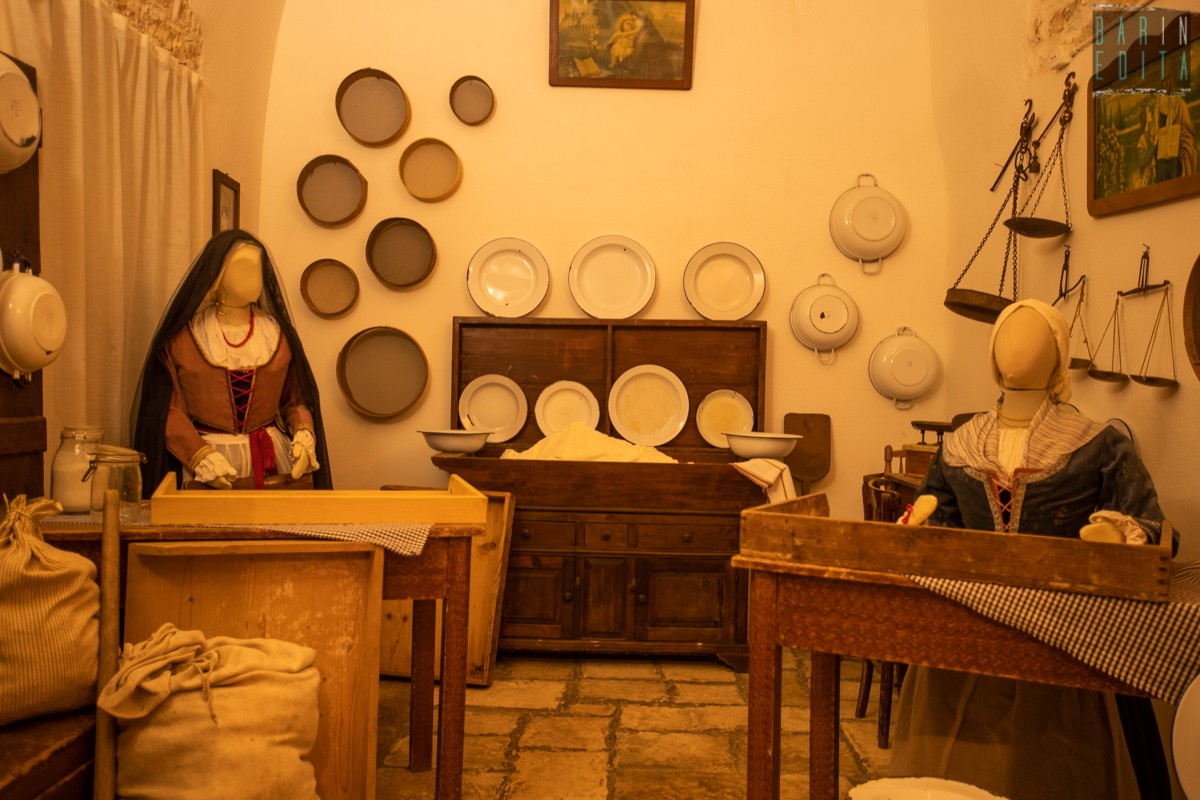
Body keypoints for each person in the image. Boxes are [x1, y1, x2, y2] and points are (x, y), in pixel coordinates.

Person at [889, 298, 1175, 800]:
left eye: (1034, 338)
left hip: (1065, 635)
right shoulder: (959, 444)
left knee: (1056, 767)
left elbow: (1149, 522)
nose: (1017, 349)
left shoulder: (1099, 442)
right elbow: (943, 516)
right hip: (969, 629)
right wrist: (925, 526)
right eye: (1009, 336)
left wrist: (1118, 533)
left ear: (1058, 357)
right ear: (993, 357)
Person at [131, 230, 332, 493]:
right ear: (218, 273)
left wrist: (303, 435)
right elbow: (168, 411)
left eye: (258, 267)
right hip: (210, 463)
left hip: (272, 461)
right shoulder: (184, 337)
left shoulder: (277, 334)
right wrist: (200, 456)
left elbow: (295, 400)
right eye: (243, 266)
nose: (255, 275)